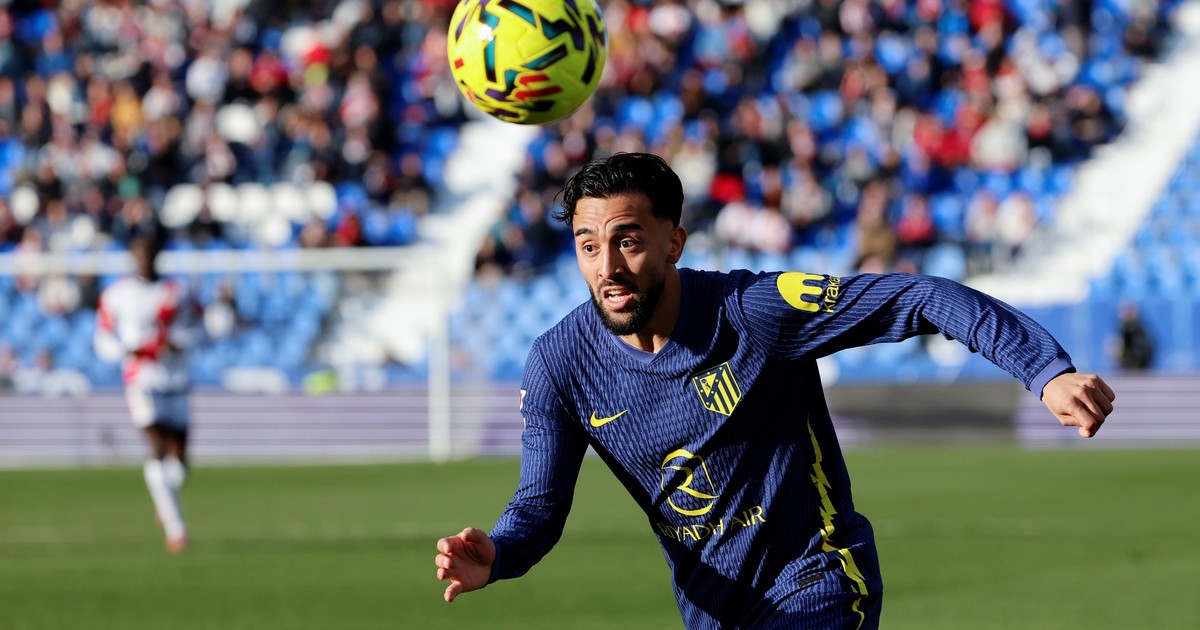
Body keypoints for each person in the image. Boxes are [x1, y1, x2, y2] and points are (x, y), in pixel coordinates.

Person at [434, 153, 1115, 628]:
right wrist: (498, 554)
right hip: (715, 612)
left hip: (821, 579)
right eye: (588, 245)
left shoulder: (754, 311)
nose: (607, 266)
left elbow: (920, 296)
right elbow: (539, 507)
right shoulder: (559, 362)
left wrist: (1045, 371)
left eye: (627, 241)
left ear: (674, 242)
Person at [94, 229, 202, 553]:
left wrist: (178, 342)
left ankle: (164, 502)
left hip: (175, 378)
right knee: (156, 447)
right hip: (140, 379)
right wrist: (126, 350)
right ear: (132, 256)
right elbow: (102, 338)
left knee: (179, 461)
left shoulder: (176, 292)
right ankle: (176, 527)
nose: (145, 257)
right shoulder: (117, 294)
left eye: (150, 251)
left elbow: (200, 328)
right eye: (140, 252)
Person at [1115, 301, 1154, 370]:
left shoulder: (1140, 331)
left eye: (1129, 311)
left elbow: (1146, 351)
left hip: (1140, 369)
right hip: (1125, 370)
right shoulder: (1122, 329)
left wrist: (1129, 356)